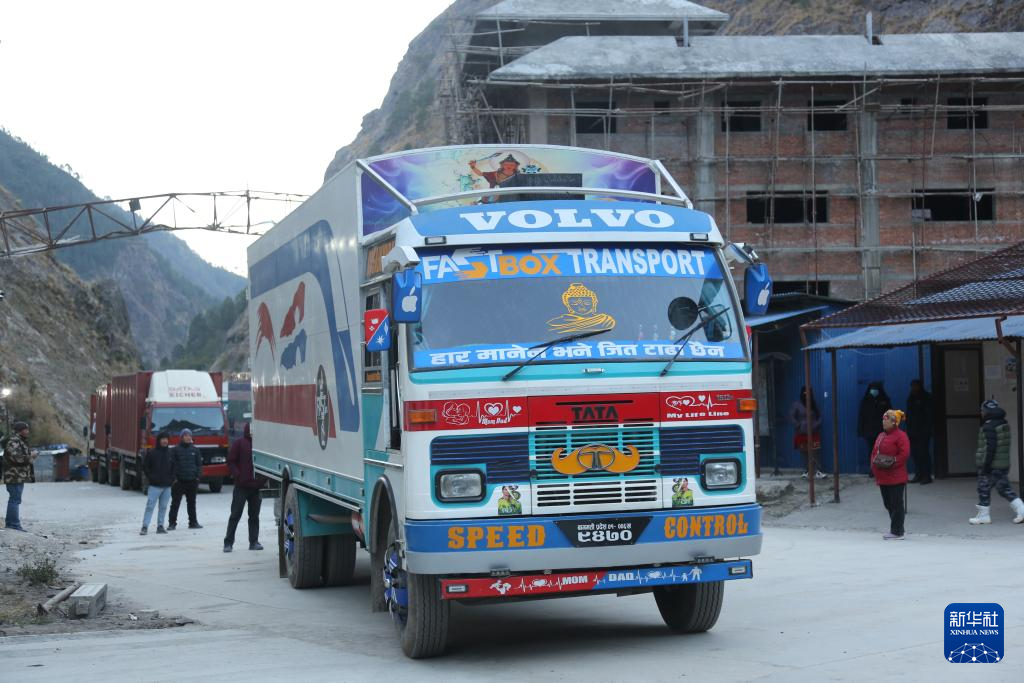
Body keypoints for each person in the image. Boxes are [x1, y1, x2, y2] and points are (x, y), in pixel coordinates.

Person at [969, 399, 1024, 525]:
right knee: (1004, 488)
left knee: (983, 489)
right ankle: (1022, 510)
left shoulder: (989, 426)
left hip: (991, 465)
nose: (981, 413)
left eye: (982, 410)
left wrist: (985, 466)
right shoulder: (1003, 423)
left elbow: (990, 447)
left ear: (986, 411)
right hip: (1002, 464)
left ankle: (984, 516)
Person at [223, 423, 266, 552]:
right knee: (235, 515)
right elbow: (231, 461)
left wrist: (263, 480)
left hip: (257, 488)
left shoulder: (262, 444)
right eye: (250, 429)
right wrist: (238, 475)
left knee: (254, 516)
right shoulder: (239, 443)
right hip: (241, 487)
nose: (252, 431)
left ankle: (254, 542)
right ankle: (228, 543)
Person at [871, 409, 911, 540]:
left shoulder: (901, 436)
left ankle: (897, 531)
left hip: (896, 476)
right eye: (883, 419)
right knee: (888, 504)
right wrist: (874, 466)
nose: (883, 422)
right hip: (883, 477)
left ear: (894, 422)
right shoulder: (880, 436)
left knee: (896, 504)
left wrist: (892, 462)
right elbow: (874, 452)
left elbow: (904, 454)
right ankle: (897, 529)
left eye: (886, 419)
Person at [3, 421, 35, 532]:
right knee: (15, 500)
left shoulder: (19, 440)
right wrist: (30, 456)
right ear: (20, 430)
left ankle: (10, 523)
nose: (28, 431)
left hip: (17, 476)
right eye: (26, 429)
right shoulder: (14, 441)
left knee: (15, 499)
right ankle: (13, 524)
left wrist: (30, 456)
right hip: (13, 476)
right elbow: (16, 458)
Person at [140, 431, 174, 535]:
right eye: (163, 439)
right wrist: (151, 478)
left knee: (163, 507)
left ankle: (160, 526)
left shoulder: (171, 453)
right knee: (150, 506)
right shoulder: (152, 453)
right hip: (154, 486)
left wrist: (172, 479)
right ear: (159, 440)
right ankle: (145, 527)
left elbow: (175, 467)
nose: (165, 441)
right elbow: (145, 467)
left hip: (167, 486)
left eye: (166, 439)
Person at [168, 429, 203, 530]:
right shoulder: (174, 450)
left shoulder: (195, 450)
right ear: (181, 437)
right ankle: (172, 523)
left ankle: (193, 522)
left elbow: (199, 465)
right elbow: (171, 465)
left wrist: (198, 477)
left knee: (192, 503)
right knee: (175, 503)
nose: (188, 437)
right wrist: (174, 479)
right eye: (186, 435)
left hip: (192, 480)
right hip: (179, 481)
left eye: (189, 435)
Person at [789, 386, 825, 479]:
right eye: (804, 393)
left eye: (809, 393)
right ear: (802, 393)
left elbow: (820, 417)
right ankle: (808, 470)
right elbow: (792, 417)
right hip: (802, 433)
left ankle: (818, 471)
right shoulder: (797, 404)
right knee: (804, 452)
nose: (806, 395)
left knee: (815, 451)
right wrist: (799, 425)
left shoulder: (814, 405)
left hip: (813, 432)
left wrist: (816, 424)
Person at [858, 381, 891, 476]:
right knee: (872, 450)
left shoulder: (885, 400)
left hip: (882, 430)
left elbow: (890, 415)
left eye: (875, 389)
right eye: (872, 389)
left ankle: (883, 470)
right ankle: (873, 469)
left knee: (883, 450)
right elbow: (862, 416)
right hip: (869, 431)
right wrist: (861, 430)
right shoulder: (866, 401)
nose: (874, 391)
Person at [904, 379, 934, 484]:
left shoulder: (926, 397)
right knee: (915, 453)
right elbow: (908, 414)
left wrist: (927, 429)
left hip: (923, 431)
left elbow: (929, 415)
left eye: (915, 386)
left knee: (923, 453)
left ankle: (927, 475)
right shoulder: (911, 398)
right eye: (912, 386)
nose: (914, 388)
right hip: (912, 431)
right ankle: (918, 474)